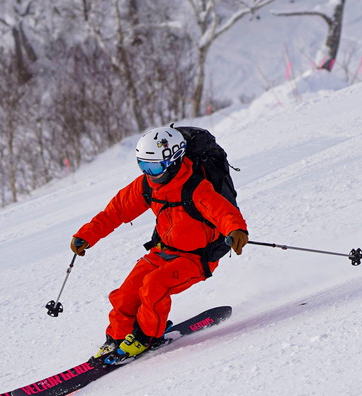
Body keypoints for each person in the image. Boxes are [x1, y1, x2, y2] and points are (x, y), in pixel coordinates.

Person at [70, 126, 248, 364]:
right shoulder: (147, 185)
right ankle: (116, 339)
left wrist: (236, 230)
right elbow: (115, 212)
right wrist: (87, 235)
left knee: (154, 286)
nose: (149, 173)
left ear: (173, 161)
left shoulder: (195, 187)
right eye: (143, 166)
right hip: (163, 251)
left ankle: (145, 338)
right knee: (126, 294)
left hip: (195, 259)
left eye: (153, 167)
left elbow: (222, 211)